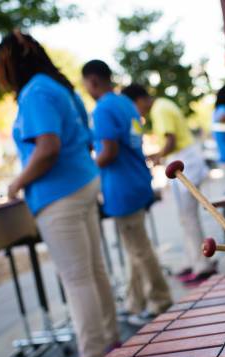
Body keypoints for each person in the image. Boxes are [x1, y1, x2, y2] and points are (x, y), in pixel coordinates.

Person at [0, 32, 118, 357]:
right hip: (82, 182)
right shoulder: (58, 86)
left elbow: (47, 148)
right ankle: (111, 343)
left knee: (77, 279)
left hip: (59, 194)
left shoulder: (35, 92)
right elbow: (84, 139)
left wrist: (17, 183)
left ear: (10, 64)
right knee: (93, 271)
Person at [81, 60, 172, 326]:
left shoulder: (102, 109)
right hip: (138, 181)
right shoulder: (126, 105)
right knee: (135, 247)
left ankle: (160, 300)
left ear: (93, 81)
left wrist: (87, 169)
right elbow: (133, 141)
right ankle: (135, 302)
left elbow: (108, 152)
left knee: (140, 250)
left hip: (121, 188)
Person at [121, 83, 215, 283]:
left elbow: (170, 141)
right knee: (186, 218)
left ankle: (202, 265)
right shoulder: (163, 104)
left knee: (189, 219)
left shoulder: (159, 109)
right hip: (186, 159)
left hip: (185, 162)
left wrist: (157, 157)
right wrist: (158, 155)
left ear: (137, 100)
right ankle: (193, 261)